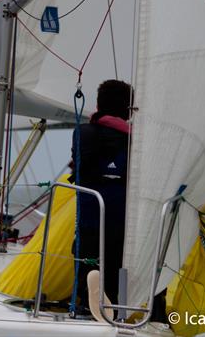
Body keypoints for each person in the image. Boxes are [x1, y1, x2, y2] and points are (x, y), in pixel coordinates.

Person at [71, 79, 132, 310]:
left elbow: (79, 168)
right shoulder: (135, 139)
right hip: (123, 219)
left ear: (99, 104)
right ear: (128, 109)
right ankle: (116, 308)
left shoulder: (84, 132)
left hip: (90, 216)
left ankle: (84, 305)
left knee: (87, 262)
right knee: (116, 266)